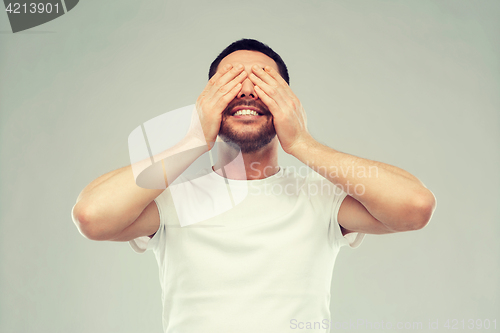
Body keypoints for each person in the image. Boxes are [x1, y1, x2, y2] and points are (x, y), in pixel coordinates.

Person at [72, 39, 437, 333]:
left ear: (288, 103)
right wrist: (193, 139)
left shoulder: (319, 197)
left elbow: (415, 206)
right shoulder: (171, 199)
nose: (247, 92)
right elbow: (92, 215)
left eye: (264, 83)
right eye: (229, 83)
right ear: (208, 101)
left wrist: (302, 144)